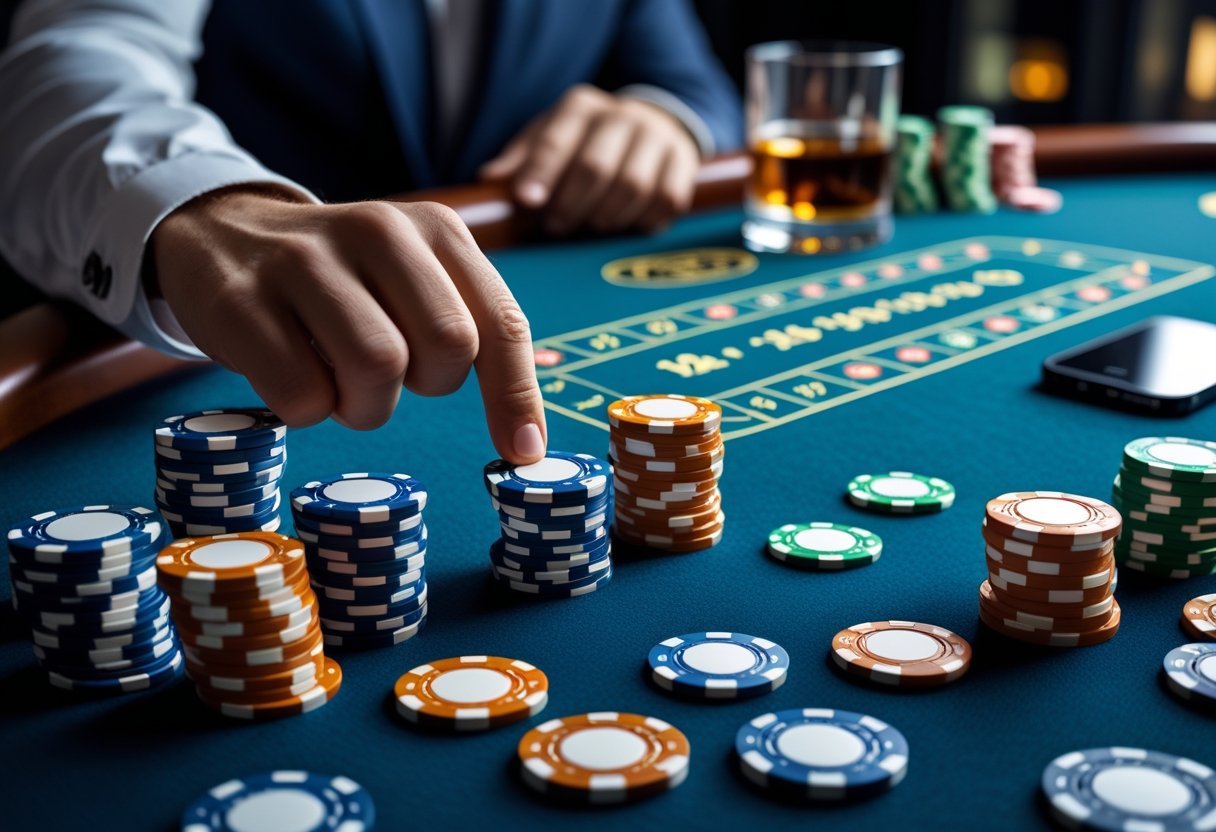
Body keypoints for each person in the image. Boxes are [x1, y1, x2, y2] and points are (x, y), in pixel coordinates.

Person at [0, 0, 742, 463]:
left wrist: (663, 117)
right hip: (243, 347)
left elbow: (692, 81)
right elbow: (82, 56)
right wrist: (204, 200)